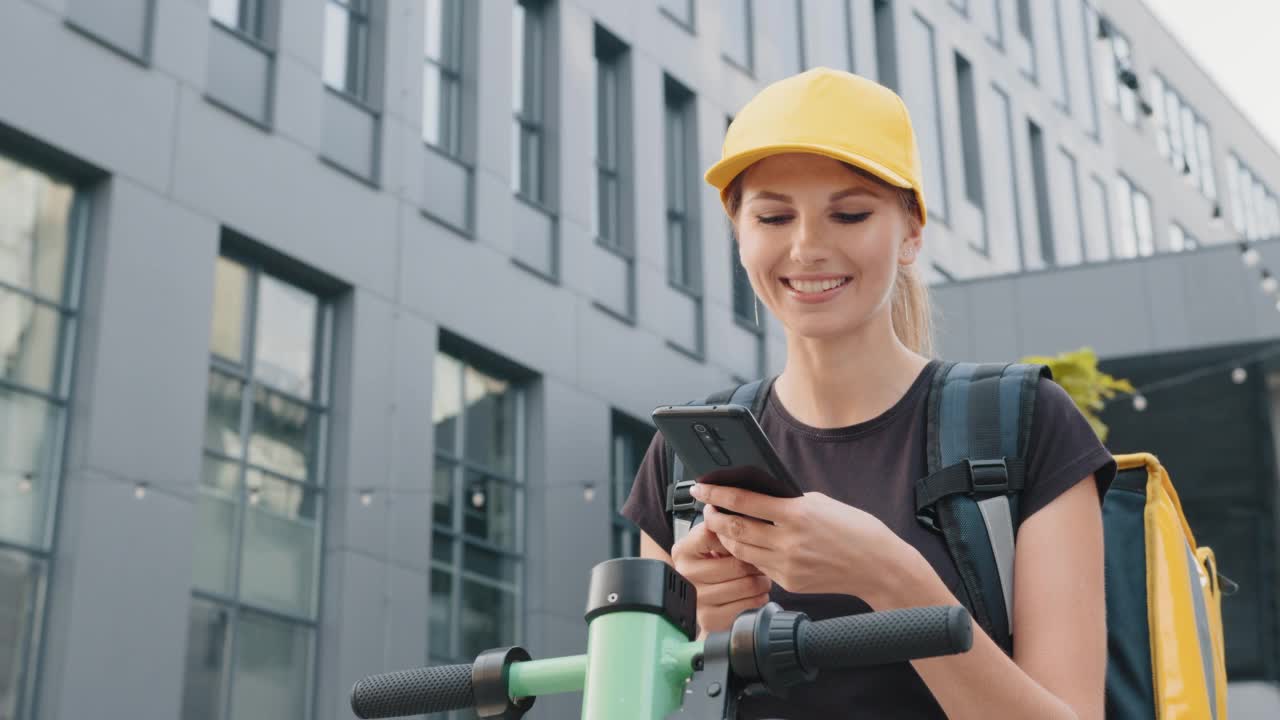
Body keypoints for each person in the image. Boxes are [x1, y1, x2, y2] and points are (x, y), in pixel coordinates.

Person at [621, 68, 1116, 719]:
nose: (807, 247)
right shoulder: (684, 465)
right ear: (740, 235)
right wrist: (701, 637)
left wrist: (890, 578)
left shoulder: (1024, 425)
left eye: (849, 213)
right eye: (773, 215)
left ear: (912, 232)